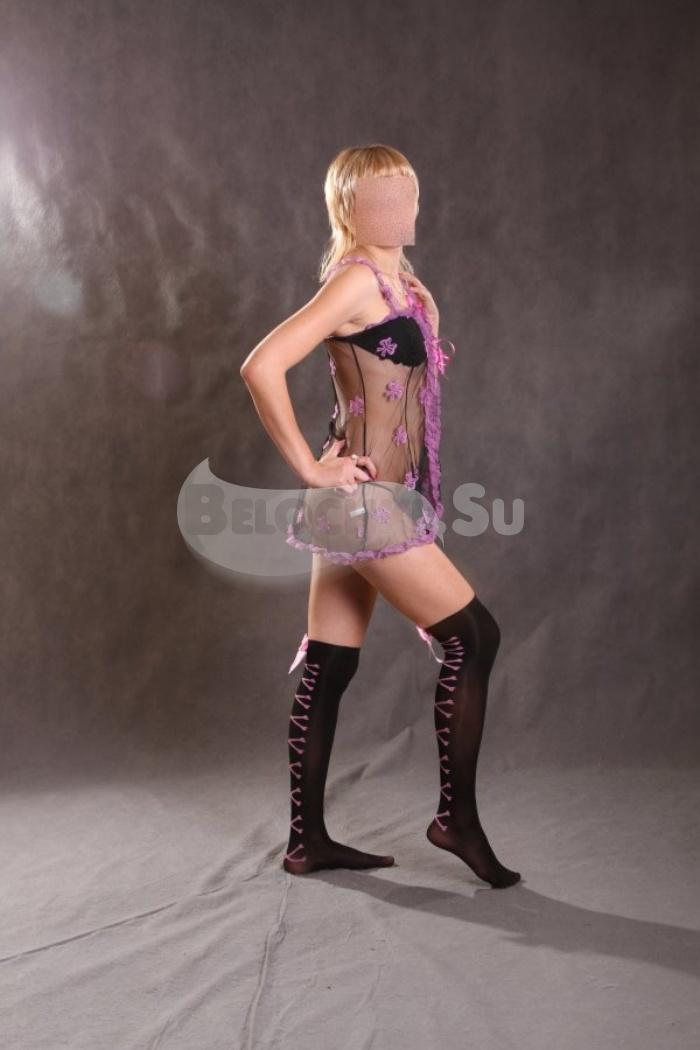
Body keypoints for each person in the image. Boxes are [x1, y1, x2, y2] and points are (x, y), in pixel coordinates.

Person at [239, 144, 521, 888]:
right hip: (365, 502)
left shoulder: (400, 283)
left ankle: (307, 842)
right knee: (475, 637)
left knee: (331, 663)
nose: (400, 209)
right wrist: (312, 469)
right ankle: (454, 820)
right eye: (381, 198)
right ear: (349, 209)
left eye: (407, 193)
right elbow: (262, 366)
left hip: (370, 499)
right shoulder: (357, 280)